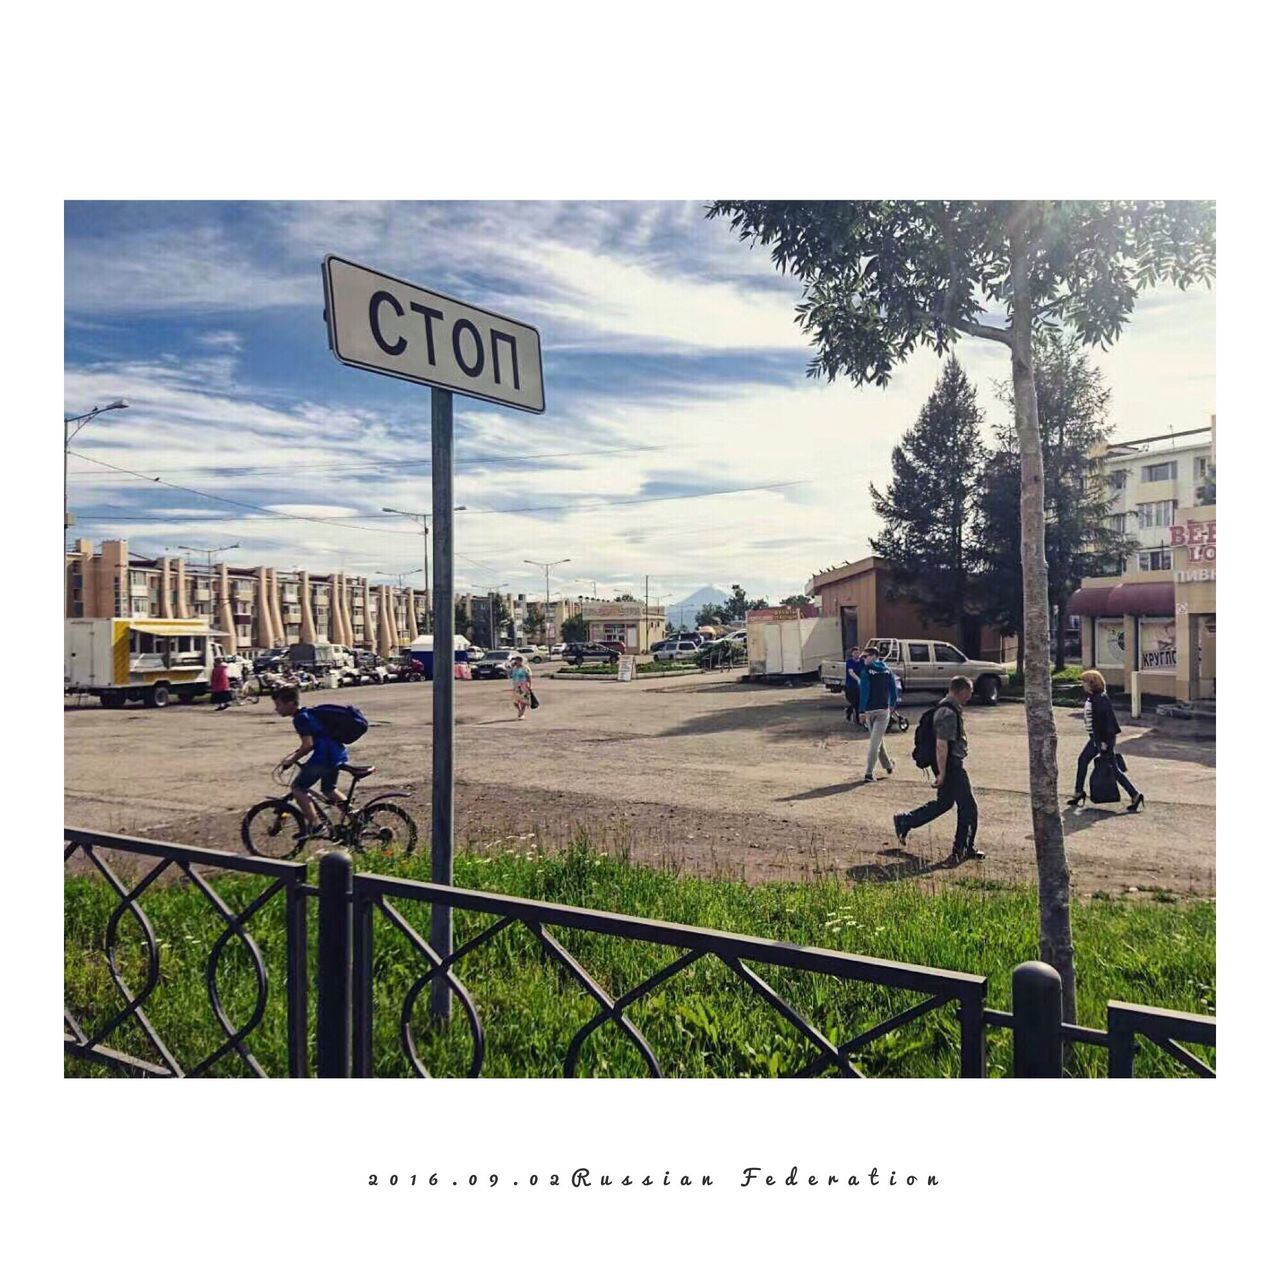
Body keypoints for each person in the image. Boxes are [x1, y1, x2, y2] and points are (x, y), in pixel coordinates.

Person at [894, 675, 984, 862]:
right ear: (962, 691)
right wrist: (942, 773)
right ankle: (962, 849)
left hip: (948, 764)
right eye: (970, 692)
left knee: (945, 803)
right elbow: (941, 745)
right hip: (950, 766)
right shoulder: (947, 713)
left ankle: (905, 820)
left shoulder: (948, 708)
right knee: (968, 808)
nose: (970, 696)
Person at [271, 685, 347, 833]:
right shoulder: (308, 713)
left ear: (291, 703)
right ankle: (357, 817)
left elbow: (308, 745)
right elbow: (313, 742)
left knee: (298, 788)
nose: (277, 709)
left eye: (279, 705)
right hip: (337, 753)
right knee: (329, 789)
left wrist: (291, 760)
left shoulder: (300, 718)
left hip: (324, 757)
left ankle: (316, 825)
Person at [1068, 669, 1144, 812]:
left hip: (1103, 740)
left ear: (1092, 683)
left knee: (1113, 768)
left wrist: (1104, 742)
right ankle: (1078, 792)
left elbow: (1107, 723)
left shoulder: (1100, 699)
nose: (1082, 684)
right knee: (1083, 760)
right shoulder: (1094, 698)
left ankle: (1135, 794)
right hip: (1096, 739)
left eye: (1084, 681)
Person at [858, 651, 899, 781]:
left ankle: (869, 773)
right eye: (863, 657)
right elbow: (893, 688)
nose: (864, 659)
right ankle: (888, 764)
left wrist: (861, 711)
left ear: (875, 656)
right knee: (878, 739)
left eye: (867, 656)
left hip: (871, 711)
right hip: (883, 710)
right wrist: (892, 704)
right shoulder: (887, 670)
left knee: (874, 743)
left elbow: (864, 691)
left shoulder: (866, 671)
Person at [844, 646, 868, 722]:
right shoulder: (850, 662)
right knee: (856, 702)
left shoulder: (862, 661)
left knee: (859, 702)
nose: (857, 654)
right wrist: (858, 679)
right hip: (851, 685)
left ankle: (851, 712)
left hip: (861, 686)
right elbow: (851, 672)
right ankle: (856, 717)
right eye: (855, 653)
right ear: (852, 654)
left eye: (858, 653)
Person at [509, 653, 533, 720]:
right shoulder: (514, 668)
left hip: (523, 686)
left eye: (518, 661)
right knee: (515, 701)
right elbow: (510, 675)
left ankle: (522, 713)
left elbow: (529, 677)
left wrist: (530, 685)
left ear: (521, 661)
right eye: (516, 661)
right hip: (516, 686)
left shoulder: (525, 668)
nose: (516, 662)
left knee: (523, 701)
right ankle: (519, 710)